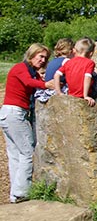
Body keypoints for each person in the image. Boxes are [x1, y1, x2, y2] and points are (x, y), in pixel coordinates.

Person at [0, 43, 54, 204]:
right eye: (40, 56)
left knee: (16, 154)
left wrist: (45, 79)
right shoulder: (20, 68)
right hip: (14, 113)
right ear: (31, 55)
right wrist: (46, 84)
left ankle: (15, 193)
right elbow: (28, 83)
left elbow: (36, 80)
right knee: (27, 152)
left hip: (10, 113)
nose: (43, 60)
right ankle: (22, 191)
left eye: (45, 57)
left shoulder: (31, 72)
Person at [53, 37, 97, 107]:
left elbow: (56, 75)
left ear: (74, 50)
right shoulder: (89, 63)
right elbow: (87, 77)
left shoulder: (68, 62)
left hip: (71, 94)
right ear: (91, 54)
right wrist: (86, 96)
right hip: (84, 94)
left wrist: (59, 92)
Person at [34, 38, 74, 102]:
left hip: (47, 90)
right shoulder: (67, 61)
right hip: (57, 89)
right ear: (71, 51)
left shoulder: (53, 61)